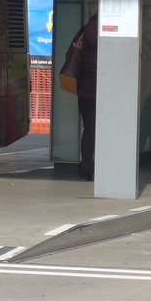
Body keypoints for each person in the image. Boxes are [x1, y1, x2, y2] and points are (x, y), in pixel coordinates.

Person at [66, 15, 99, 180]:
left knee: (89, 129)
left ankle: (86, 167)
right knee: (95, 129)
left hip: (85, 90)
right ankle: (91, 168)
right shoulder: (98, 31)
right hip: (96, 90)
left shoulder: (86, 30)